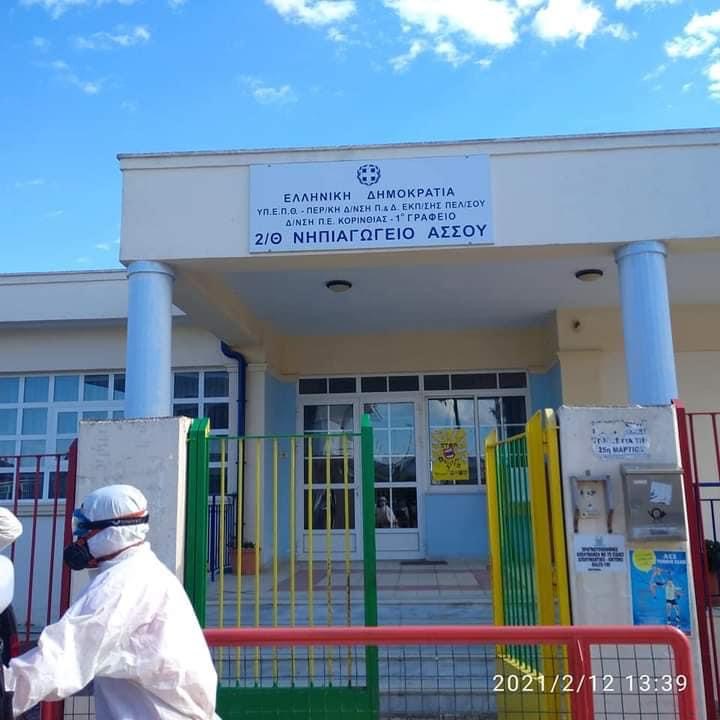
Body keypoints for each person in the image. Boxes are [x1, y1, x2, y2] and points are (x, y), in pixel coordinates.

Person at [4, 484, 220, 719]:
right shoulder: (140, 571)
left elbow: (65, 655)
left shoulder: (121, 586)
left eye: (84, 529)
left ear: (112, 532)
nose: (79, 538)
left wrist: (7, 690)